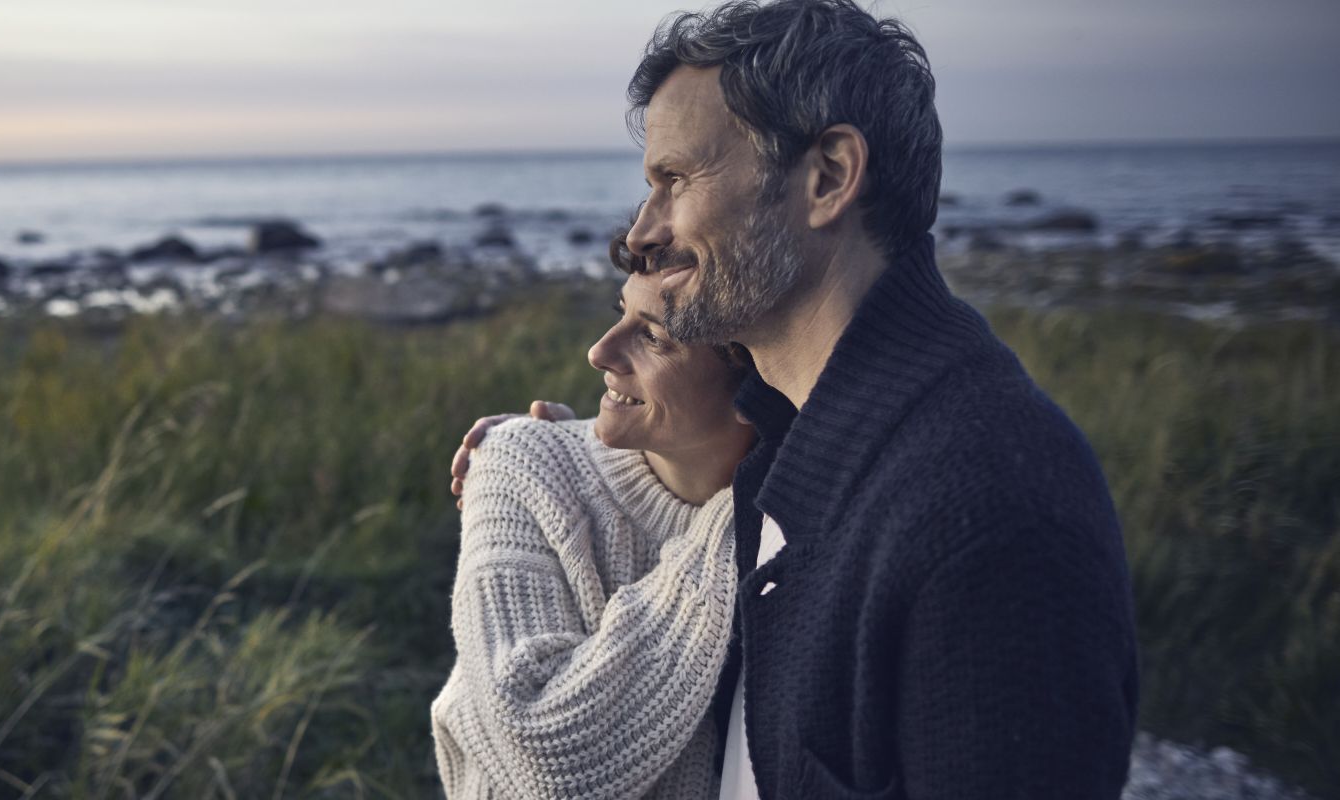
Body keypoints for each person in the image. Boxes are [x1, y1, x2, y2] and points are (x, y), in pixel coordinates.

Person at [450, 1, 1140, 798]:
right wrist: (553, 464)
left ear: (829, 177)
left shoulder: (987, 503)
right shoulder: (790, 449)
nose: (643, 232)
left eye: (675, 180)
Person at [430, 264, 757, 798]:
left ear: (756, 390)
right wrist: (736, 519)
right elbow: (545, 753)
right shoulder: (524, 461)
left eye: (653, 337)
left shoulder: (797, 520)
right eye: (619, 312)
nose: (599, 352)